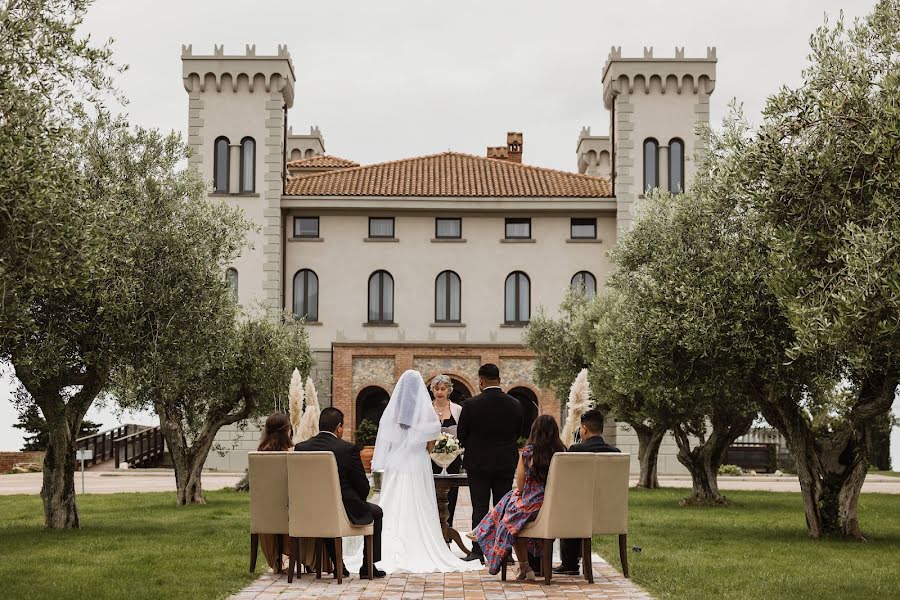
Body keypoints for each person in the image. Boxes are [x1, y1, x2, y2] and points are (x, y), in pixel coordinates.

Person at [346, 370, 482, 574]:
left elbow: (386, 441)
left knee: (393, 504)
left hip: (396, 465)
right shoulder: (425, 412)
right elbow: (430, 446)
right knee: (419, 504)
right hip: (418, 464)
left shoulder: (393, 413)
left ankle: (382, 550)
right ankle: (420, 543)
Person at [471, 415, 567, 579]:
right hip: (556, 505)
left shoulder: (529, 453)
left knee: (509, 521)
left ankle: (523, 566)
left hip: (533, 504)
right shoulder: (563, 452)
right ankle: (482, 529)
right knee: (510, 503)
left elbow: (521, 486)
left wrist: (522, 492)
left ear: (534, 431)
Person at [294, 407, 386, 579]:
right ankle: (367, 566)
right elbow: (363, 488)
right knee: (377, 512)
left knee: (327, 510)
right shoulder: (347, 449)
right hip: (344, 508)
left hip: (310, 509)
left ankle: (339, 565)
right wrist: (359, 498)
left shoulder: (301, 447)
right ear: (339, 427)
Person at [456, 363, 523, 563]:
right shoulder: (515, 404)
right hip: (505, 462)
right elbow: (517, 434)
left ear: (481, 381)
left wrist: (476, 447)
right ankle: (505, 553)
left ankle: (477, 551)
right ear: (499, 380)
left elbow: (461, 435)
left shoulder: (471, 404)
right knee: (503, 508)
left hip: (478, 463)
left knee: (479, 506)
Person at [554, 408, 620, 576]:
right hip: (608, 512)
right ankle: (571, 562)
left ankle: (570, 563)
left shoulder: (576, 450)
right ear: (602, 429)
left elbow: (566, 482)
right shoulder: (616, 453)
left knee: (570, 507)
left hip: (580, 513)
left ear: (583, 429)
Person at [256, 412, 295, 573]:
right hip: (288, 509)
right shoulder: (292, 454)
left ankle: (280, 558)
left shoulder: (259, 454)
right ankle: (302, 558)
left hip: (265, 511)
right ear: (287, 430)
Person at [429, 374, 463, 528]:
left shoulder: (458, 410)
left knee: (452, 495)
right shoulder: (427, 409)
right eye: (436, 388)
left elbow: (463, 433)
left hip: (452, 459)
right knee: (431, 496)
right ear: (432, 390)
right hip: (430, 459)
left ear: (449, 390)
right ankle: (434, 531)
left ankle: (448, 530)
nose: (439, 392)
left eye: (443, 389)